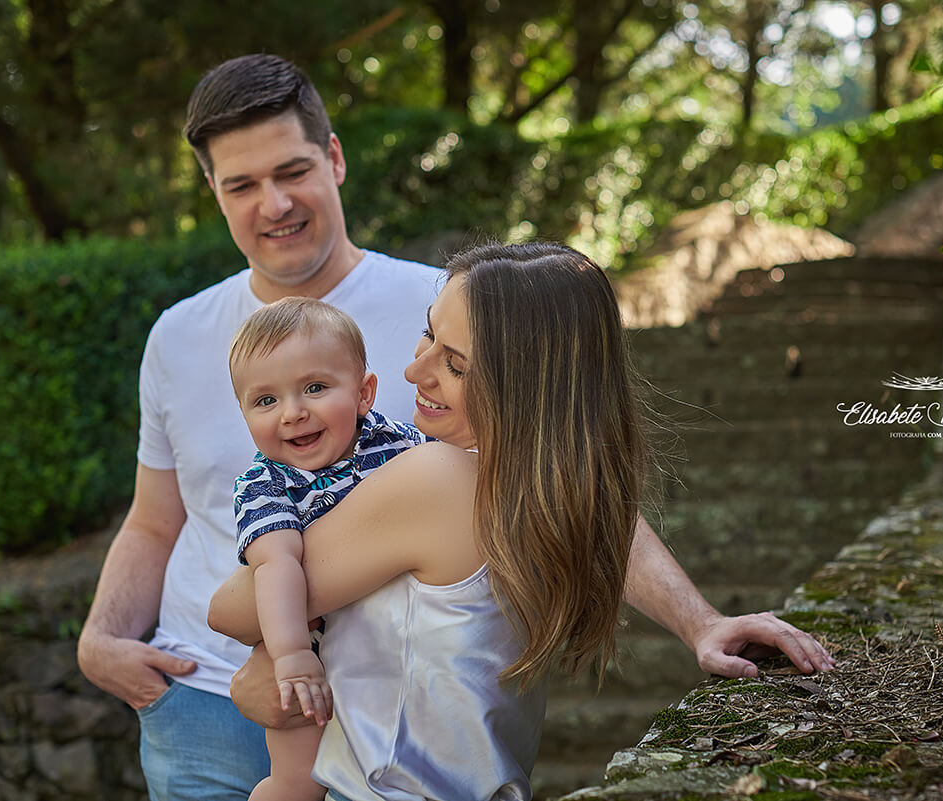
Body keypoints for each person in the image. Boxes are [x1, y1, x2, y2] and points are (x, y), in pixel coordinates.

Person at [76, 52, 832, 801]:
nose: (273, 203)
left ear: (334, 158)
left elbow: (556, 468)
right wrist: (106, 637)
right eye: (241, 184)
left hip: (379, 729)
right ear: (212, 190)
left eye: (291, 171)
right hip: (198, 700)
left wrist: (696, 618)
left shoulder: (455, 303)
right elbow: (154, 519)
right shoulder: (177, 335)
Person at [208, 242, 650, 800]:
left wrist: (270, 662)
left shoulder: (437, 477)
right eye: (428, 333)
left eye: (455, 363)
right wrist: (700, 622)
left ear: (525, 387)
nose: (415, 369)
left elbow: (228, 610)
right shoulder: (550, 493)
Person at [229, 297, 428, 801]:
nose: (293, 414)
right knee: (297, 782)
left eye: (315, 388)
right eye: (266, 401)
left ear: (364, 393)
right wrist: (292, 655)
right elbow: (275, 564)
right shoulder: (264, 484)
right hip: (307, 647)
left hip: (397, 644)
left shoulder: (397, 442)